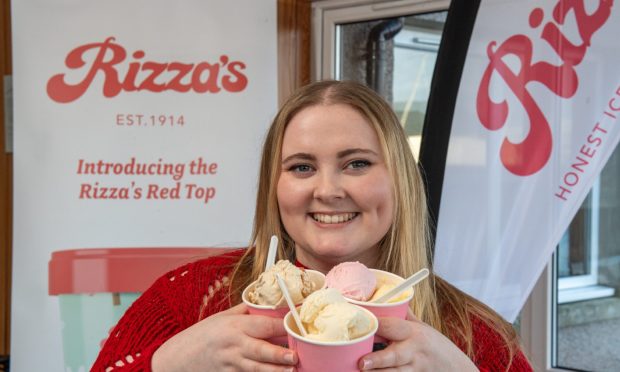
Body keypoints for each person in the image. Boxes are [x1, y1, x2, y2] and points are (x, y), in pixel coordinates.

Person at [93, 80, 532, 371]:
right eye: (302, 167)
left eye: (356, 163)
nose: (327, 190)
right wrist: (166, 363)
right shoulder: (188, 300)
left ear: (400, 179)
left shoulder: (474, 337)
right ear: (275, 186)